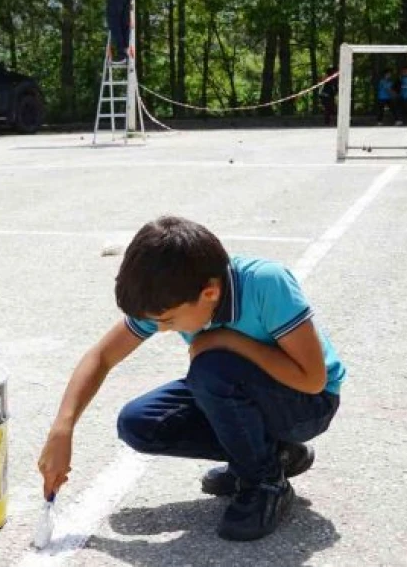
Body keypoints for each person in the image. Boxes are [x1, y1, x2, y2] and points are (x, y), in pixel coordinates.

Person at [38, 216, 345, 541]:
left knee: (212, 369)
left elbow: (313, 379)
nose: (162, 328)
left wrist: (228, 339)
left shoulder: (266, 284)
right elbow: (101, 357)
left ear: (210, 292)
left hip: (307, 404)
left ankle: (266, 481)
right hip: (240, 387)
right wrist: (63, 428)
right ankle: (270, 454)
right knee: (140, 423)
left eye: (168, 320)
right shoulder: (173, 296)